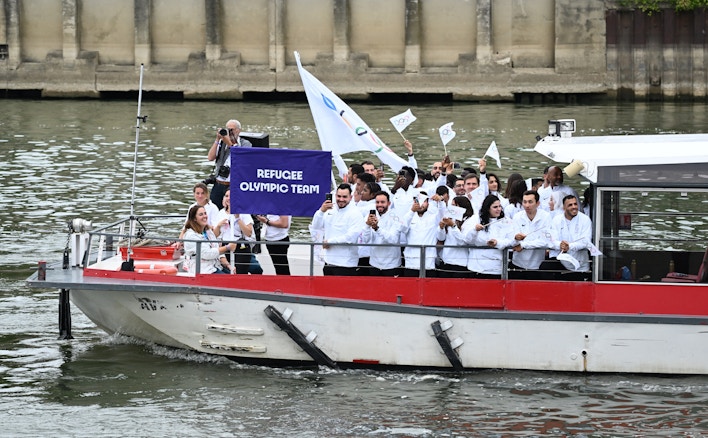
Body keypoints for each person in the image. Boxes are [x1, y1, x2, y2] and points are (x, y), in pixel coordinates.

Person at [310, 184, 364, 276]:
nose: (341, 199)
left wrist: (329, 241)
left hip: (346, 264)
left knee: (343, 290)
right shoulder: (329, 210)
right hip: (328, 261)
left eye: (344, 197)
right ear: (335, 196)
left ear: (350, 197)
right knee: (326, 290)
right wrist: (321, 211)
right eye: (339, 196)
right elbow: (316, 226)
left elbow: (350, 237)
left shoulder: (356, 213)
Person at [463, 194, 515, 278]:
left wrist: (497, 243)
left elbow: (512, 240)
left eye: (499, 206)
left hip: (496, 268)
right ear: (487, 208)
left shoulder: (506, 221)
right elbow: (467, 240)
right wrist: (474, 230)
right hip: (477, 267)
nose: (498, 209)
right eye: (495, 207)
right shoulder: (475, 219)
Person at [207, 119, 252, 210]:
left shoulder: (245, 144)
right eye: (228, 130)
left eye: (232, 130)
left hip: (233, 185)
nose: (229, 132)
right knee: (214, 209)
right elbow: (210, 157)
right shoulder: (222, 143)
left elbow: (241, 158)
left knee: (231, 211)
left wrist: (229, 143)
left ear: (238, 130)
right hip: (219, 183)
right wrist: (217, 139)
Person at [183, 205, 237, 275]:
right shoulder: (191, 236)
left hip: (215, 266)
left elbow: (217, 251)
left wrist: (228, 265)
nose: (204, 216)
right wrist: (227, 247)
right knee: (229, 282)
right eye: (201, 214)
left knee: (234, 276)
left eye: (205, 213)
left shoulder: (208, 231)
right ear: (194, 219)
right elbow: (207, 253)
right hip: (204, 270)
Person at [549, 194, 593, 279]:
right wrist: (560, 245)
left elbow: (586, 241)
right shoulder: (556, 220)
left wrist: (570, 246)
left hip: (581, 266)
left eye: (575, 204)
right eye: (570, 205)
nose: (574, 207)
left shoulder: (585, 219)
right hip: (562, 265)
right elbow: (552, 240)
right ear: (564, 208)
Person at [510, 190, 552, 279]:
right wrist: (516, 238)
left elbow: (545, 241)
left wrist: (524, 244)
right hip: (518, 263)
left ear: (537, 203)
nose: (527, 205)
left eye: (530, 202)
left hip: (537, 264)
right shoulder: (517, 216)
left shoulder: (546, 217)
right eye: (524, 202)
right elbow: (513, 238)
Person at [214, 190, 258, 274]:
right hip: (225, 245)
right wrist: (219, 225)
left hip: (240, 245)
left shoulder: (243, 213)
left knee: (251, 269)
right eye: (226, 196)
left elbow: (249, 233)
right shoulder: (221, 213)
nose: (229, 198)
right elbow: (215, 235)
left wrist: (238, 219)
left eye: (231, 196)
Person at [400, 191, 443, 277]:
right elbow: (403, 229)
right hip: (411, 263)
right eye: (418, 201)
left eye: (424, 201)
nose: (421, 204)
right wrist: (412, 211)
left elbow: (442, 216)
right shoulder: (408, 216)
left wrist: (440, 202)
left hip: (429, 263)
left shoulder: (433, 218)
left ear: (428, 203)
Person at [362, 191, 404, 276]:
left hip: (391, 265)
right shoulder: (369, 216)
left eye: (382, 202)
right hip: (374, 264)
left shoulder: (396, 217)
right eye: (377, 202)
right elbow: (365, 240)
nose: (380, 205)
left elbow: (393, 239)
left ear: (389, 203)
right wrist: (367, 225)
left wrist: (377, 228)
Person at [437, 196, 474, 278]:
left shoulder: (470, 221)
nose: (452, 208)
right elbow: (441, 238)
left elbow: (463, 241)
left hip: (460, 263)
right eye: (451, 205)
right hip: (446, 261)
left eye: (455, 206)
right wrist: (441, 228)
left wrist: (453, 226)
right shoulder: (450, 218)